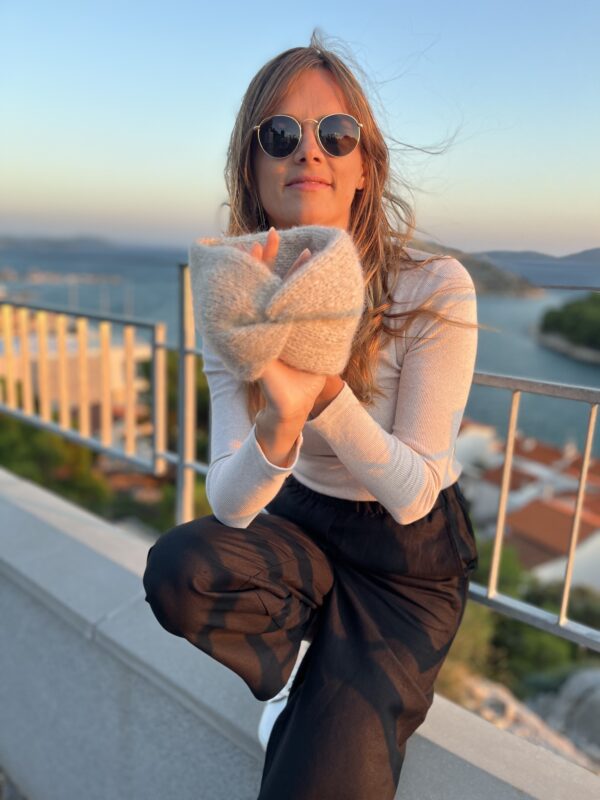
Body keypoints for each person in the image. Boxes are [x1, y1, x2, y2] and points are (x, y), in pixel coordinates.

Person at [143, 30, 481, 800]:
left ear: (365, 167)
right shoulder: (236, 294)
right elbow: (229, 502)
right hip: (301, 523)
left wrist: (323, 395)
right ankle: (299, 664)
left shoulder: (433, 287)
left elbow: (414, 492)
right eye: (280, 134)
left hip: (404, 560)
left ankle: (319, 680)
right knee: (179, 570)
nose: (310, 151)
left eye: (336, 133)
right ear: (252, 165)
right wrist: (278, 424)